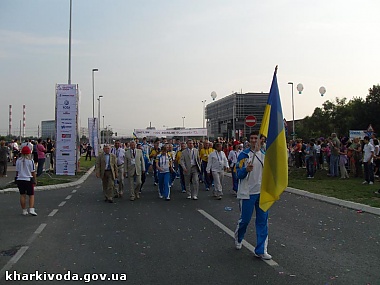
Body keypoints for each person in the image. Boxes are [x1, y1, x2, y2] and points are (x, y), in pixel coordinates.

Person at [234, 131, 272, 260]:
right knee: (245, 220)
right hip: (247, 193)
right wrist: (245, 170)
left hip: (262, 193)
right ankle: (239, 238)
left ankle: (261, 250)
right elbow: (238, 174)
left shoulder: (266, 155)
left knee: (263, 221)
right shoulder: (243, 155)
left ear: (261, 140)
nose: (254, 140)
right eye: (252, 138)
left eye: (256, 138)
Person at [16, 146, 37, 216]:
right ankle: (31, 209)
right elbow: (33, 172)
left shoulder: (18, 160)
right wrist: (35, 180)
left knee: (22, 195)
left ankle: (24, 210)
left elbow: (17, 171)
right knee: (31, 195)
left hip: (20, 179)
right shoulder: (31, 161)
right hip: (28, 179)